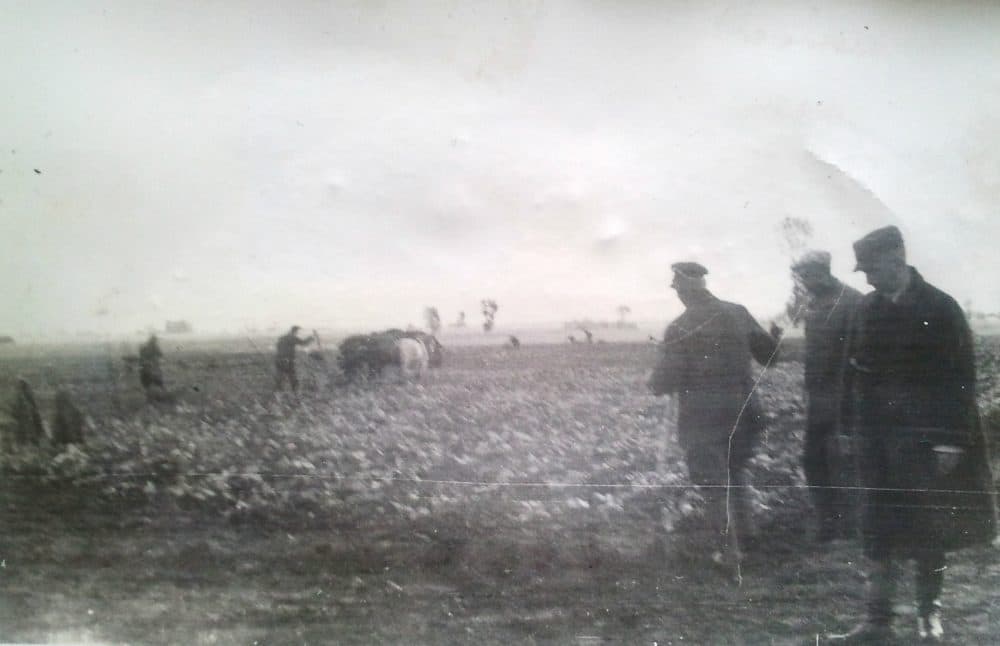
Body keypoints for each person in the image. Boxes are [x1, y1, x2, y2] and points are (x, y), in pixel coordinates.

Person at [829, 226, 996, 643]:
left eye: (870, 268)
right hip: (877, 437)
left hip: (924, 438)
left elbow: (960, 379)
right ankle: (877, 621)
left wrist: (949, 440)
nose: (865, 278)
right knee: (878, 524)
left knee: (929, 528)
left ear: (896, 260)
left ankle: (928, 616)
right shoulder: (866, 309)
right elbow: (852, 374)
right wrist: (849, 428)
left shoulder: (940, 308)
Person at [649, 262, 782, 570]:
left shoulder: (680, 327)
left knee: (712, 484)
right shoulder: (738, 312)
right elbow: (770, 358)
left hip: (702, 418)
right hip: (745, 412)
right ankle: (748, 538)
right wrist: (773, 335)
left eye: (678, 289)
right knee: (735, 472)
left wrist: (654, 381)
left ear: (683, 291)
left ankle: (728, 553)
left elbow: (665, 380)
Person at [790, 251, 863, 542]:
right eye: (801, 276)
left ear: (822, 271)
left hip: (846, 394)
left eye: (807, 275)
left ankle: (852, 527)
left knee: (845, 459)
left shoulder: (852, 301)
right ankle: (827, 522)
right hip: (817, 396)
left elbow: (859, 352)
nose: (804, 281)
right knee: (813, 459)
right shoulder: (813, 303)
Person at [275, 326, 314, 393]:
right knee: (292, 376)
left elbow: (278, 346)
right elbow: (303, 343)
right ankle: (295, 392)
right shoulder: (292, 338)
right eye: (297, 332)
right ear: (295, 331)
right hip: (287, 360)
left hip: (278, 359)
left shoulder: (282, 338)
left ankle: (278, 392)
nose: (297, 334)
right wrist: (311, 338)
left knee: (280, 376)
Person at [138, 334, 164, 399]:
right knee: (158, 381)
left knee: (147, 383)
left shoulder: (143, 346)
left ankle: (150, 396)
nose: (156, 341)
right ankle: (160, 395)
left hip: (144, 367)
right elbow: (160, 354)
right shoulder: (155, 346)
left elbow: (141, 355)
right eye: (156, 340)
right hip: (152, 367)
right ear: (154, 340)